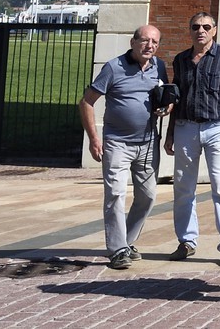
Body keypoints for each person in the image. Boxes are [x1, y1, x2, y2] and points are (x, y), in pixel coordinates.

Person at [78, 25, 170, 269]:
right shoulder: (113, 67)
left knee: (148, 196)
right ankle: (117, 249)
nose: (150, 46)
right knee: (116, 195)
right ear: (133, 42)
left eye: (155, 42)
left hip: (149, 142)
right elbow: (86, 102)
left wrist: (166, 107)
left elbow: (165, 98)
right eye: (145, 41)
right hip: (117, 143)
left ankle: (127, 242)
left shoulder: (159, 66)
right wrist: (94, 139)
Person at [164, 11, 220, 265]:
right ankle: (187, 241)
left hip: (217, 126)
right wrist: (169, 133)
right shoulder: (180, 60)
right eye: (195, 27)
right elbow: (175, 100)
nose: (200, 30)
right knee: (183, 187)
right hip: (185, 126)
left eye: (206, 26)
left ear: (214, 31)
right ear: (189, 31)